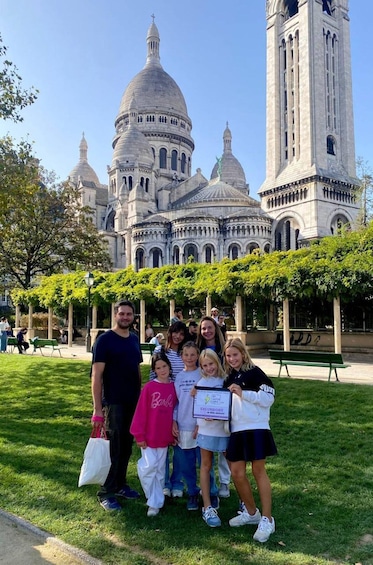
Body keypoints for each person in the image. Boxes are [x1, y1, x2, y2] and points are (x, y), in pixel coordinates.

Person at [223, 338, 277, 543]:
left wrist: (244, 393)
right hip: (236, 431)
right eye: (228, 356)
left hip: (256, 428)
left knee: (258, 470)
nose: (232, 358)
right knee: (236, 473)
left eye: (235, 354)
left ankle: (267, 519)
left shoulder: (255, 372)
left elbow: (268, 398)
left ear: (243, 354)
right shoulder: (228, 377)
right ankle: (252, 513)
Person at [91, 299, 143, 512]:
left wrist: (141, 399)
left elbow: (137, 370)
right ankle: (106, 492)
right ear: (115, 315)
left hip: (133, 401)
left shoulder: (133, 339)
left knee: (126, 447)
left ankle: (120, 484)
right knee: (114, 447)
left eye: (129, 314)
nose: (125, 317)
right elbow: (96, 376)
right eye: (122, 314)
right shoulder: (104, 340)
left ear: (133, 317)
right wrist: (97, 409)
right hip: (113, 402)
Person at [172, 341, 219, 512]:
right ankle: (192, 491)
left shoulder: (204, 374)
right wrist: (174, 421)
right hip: (183, 426)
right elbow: (176, 402)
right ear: (181, 356)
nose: (190, 358)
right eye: (186, 355)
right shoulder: (178, 377)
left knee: (205, 463)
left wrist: (201, 424)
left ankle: (212, 492)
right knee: (187, 464)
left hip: (202, 427)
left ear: (198, 356)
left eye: (193, 355)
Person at [130, 350, 178, 517]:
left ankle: (155, 502)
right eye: (158, 367)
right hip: (149, 436)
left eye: (164, 366)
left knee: (159, 470)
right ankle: (152, 497)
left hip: (163, 437)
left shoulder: (173, 388)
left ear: (169, 367)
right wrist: (139, 435)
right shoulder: (150, 387)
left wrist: (173, 434)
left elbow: (175, 413)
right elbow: (141, 412)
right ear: (154, 370)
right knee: (147, 467)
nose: (162, 370)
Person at [150, 320, 187, 497]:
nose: (178, 336)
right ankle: (164, 482)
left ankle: (177, 483)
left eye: (181, 333)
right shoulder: (160, 351)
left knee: (178, 444)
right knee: (163, 443)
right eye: (175, 332)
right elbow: (152, 377)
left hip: (181, 402)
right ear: (169, 332)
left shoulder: (184, 353)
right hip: (163, 402)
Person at [194, 349, 230, 527]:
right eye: (205, 365)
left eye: (211, 363)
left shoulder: (225, 381)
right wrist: (202, 419)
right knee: (205, 466)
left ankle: (244, 503)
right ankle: (207, 506)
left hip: (224, 430)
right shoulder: (201, 382)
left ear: (218, 362)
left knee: (232, 463)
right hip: (207, 430)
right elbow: (197, 403)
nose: (209, 368)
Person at [196, 316, 231, 497]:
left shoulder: (223, 349)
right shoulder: (197, 349)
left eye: (210, 327)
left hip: (222, 405)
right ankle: (209, 484)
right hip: (206, 402)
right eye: (203, 328)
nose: (207, 331)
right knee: (206, 457)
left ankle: (225, 482)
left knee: (225, 451)